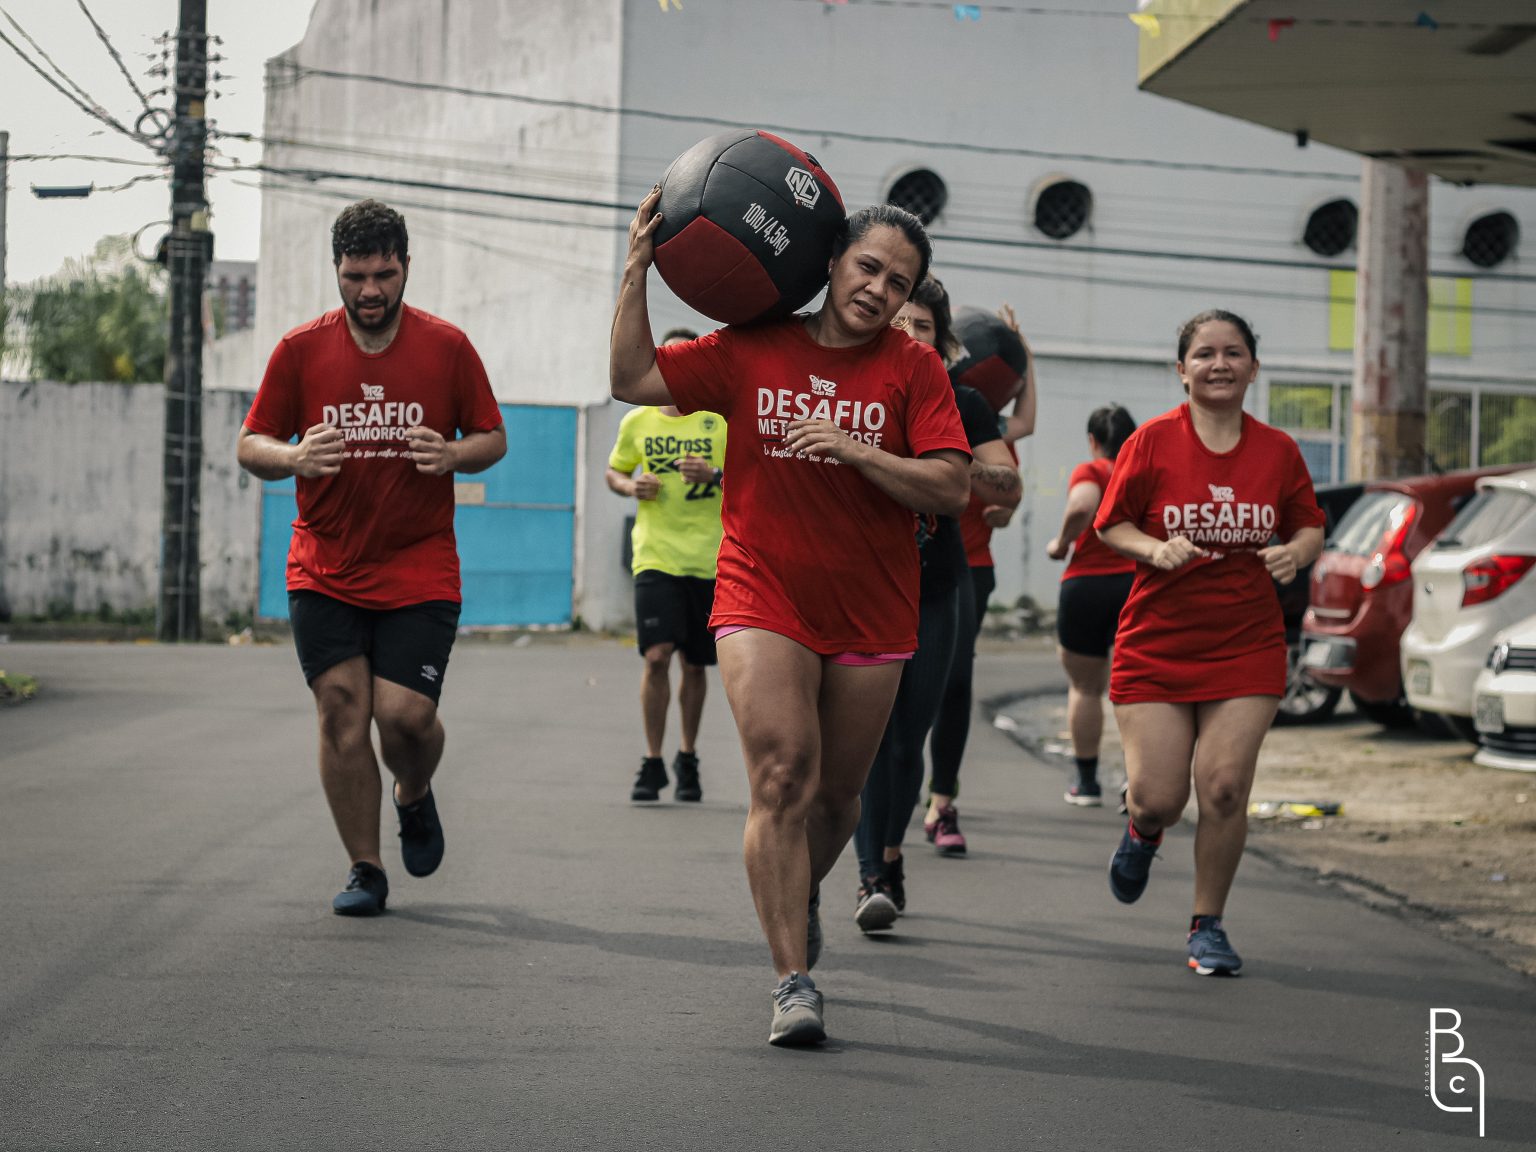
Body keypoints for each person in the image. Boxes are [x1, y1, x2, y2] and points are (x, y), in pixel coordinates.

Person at [610, 190, 971, 1046]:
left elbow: (952, 486)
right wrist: (635, 274)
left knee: (838, 799)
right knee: (782, 774)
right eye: (869, 267)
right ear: (834, 262)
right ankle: (792, 980)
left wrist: (856, 447)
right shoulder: (750, 346)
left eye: (900, 281)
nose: (880, 289)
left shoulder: (911, 372)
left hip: (872, 608)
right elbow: (631, 380)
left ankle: (801, 888)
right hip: (760, 590)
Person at [236, 199, 506, 917]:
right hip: (324, 565)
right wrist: (293, 454)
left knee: (406, 717)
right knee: (341, 711)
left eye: (384, 274)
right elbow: (250, 443)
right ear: (337, 272)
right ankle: (364, 866)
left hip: (418, 564)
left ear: (406, 268)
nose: (370, 291)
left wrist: (452, 452)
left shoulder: (447, 347)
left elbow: (491, 436)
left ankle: (412, 792)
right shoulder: (300, 350)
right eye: (356, 276)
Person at [1093, 309, 1323, 976]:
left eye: (1232, 353)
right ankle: (1142, 828)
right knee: (1161, 796)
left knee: (1223, 787)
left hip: (1246, 643)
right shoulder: (1152, 443)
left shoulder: (1277, 451)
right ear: (1182, 369)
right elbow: (1113, 525)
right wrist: (1155, 548)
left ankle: (1207, 925)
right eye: (1204, 354)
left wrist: (1296, 553)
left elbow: (1309, 524)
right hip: (1156, 643)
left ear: (1253, 366)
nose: (1218, 364)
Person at [852, 277, 1021, 932]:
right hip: (861, 584)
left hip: (937, 583)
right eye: (900, 322)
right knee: (867, 739)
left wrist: (966, 468)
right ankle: (870, 875)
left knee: (905, 738)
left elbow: (1005, 476)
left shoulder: (964, 399)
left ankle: (892, 853)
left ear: (942, 340)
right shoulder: (851, 388)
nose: (909, 335)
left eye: (923, 326)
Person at [923, 307, 1036, 853]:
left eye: (926, 328)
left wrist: (1028, 357)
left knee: (954, 684)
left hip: (970, 567)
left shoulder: (979, 415)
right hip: (900, 564)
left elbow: (1016, 460)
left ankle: (943, 799)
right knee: (893, 686)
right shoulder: (897, 397)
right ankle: (886, 792)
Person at [605, 327, 726, 803]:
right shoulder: (637, 422)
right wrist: (629, 487)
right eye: (667, 357)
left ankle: (687, 756)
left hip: (710, 559)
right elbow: (616, 471)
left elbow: (758, 475)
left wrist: (714, 475)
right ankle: (653, 761)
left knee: (695, 666)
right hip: (655, 555)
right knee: (656, 656)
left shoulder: (720, 418)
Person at [1046, 404, 1138, 808]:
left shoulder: (1093, 470)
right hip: (1134, 585)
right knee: (1136, 689)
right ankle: (1137, 785)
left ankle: (1086, 784)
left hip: (1086, 585)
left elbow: (1083, 506)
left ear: (1093, 441)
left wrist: (1061, 543)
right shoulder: (1142, 473)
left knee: (1085, 687)